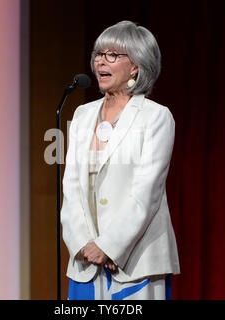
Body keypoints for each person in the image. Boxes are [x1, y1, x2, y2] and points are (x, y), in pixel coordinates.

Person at [61, 20, 180, 300]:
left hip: (134, 262)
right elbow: (71, 187)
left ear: (136, 66)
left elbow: (146, 193)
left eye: (112, 55)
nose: (101, 61)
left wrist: (110, 246)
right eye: (98, 54)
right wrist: (81, 243)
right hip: (86, 262)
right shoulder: (82, 115)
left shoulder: (156, 117)